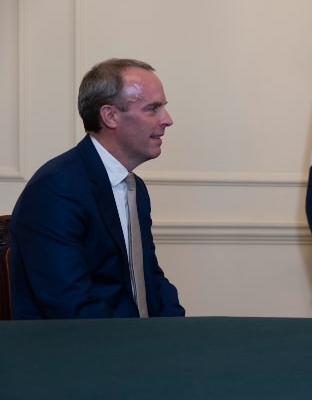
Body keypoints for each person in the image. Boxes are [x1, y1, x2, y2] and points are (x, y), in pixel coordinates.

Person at [10, 58, 185, 319]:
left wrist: (177, 330)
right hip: (77, 351)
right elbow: (70, 305)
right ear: (110, 116)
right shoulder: (54, 190)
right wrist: (143, 346)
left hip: (136, 344)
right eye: (153, 109)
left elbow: (150, 277)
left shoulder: (135, 188)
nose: (167, 120)